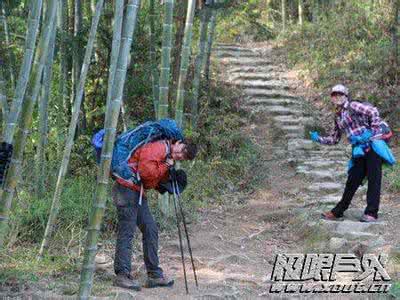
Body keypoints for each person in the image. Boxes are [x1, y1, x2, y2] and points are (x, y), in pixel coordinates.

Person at [112, 139, 197, 290]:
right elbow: (146, 172)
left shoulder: (167, 157)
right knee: (127, 231)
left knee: (151, 229)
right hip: (126, 188)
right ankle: (122, 275)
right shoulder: (159, 147)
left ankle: (154, 275)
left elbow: (150, 182)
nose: (179, 155)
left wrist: (167, 181)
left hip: (137, 192)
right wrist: (166, 166)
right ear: (177, 142)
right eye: (181, 150)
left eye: (183, 157)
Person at [310, 84, 393, 223]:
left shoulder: (353, 106)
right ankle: (338, 211)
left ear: (346, 95)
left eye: (340, 94)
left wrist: (370, 132)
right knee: (352, 180)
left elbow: (373, 112)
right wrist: (318, 138)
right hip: (359, 150)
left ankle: (371, 213)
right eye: (334, 95)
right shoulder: (338, 115)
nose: (337, 97)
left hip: (373, 145)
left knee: (374, 179)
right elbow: (335, 138)